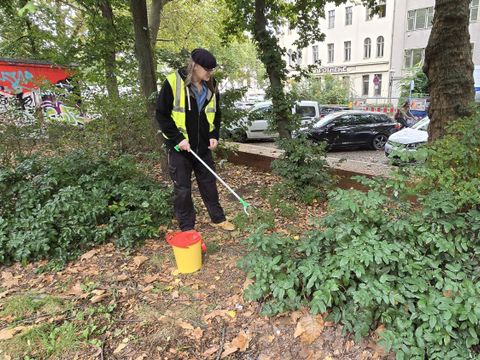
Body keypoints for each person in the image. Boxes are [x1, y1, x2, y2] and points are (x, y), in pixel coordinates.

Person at [156, 48, 235, 232]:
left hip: (202, 147)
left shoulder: (211, 84)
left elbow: (217, 113)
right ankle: (187, 226)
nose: (210, 73)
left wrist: (214, 135)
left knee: (209, 183)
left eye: (212, 70)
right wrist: (177, 139)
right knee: (183, 189)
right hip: (180, 148)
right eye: (207, 69)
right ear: (195, 66)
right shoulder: (173, 82)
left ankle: (218, 218)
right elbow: (161, 115)